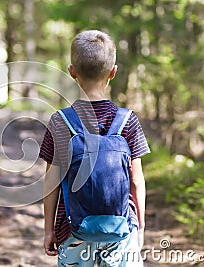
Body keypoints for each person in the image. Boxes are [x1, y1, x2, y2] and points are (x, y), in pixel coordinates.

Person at [39, 30, 150, 266]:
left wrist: (48, 230)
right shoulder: (127, 120)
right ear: (113, 72)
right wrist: (140, 227)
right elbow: (137, 180)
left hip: (72, 231)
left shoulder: (60, 122)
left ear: (71, 72)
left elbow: (51, 182)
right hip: (121, 229)